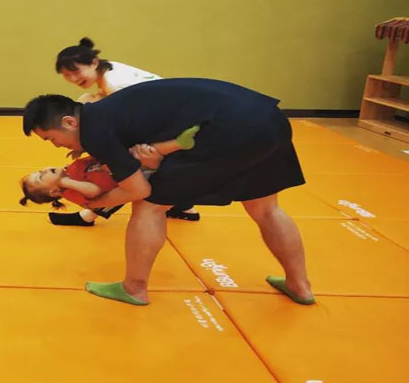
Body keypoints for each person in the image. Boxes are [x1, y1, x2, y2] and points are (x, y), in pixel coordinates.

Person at [22, 80, 315, 306]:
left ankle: (134, 288)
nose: (56, 146)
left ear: (69, 122)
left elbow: (138, 189)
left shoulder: (96, 130)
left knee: (149, 205)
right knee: (265, 207)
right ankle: (299, 284)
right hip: (270, 119)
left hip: (227, 129)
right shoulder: (106, 111)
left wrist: (97, 202)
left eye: (51, 139)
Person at [55, 37, 200, 222]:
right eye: (67, 75)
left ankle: (89, 215)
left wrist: (87, 145)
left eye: (76, 71)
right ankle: (185, 206)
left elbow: (129, 125)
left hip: (178, 124)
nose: (73, 79)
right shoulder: (109, 70)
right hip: (174, 116)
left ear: (94, 62)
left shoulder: (115, 84)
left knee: (125, 166)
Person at [19, 128, 198, 226]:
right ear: (54, 191)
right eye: (40, 178)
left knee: (142, 152)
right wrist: (66, 181)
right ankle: (178, 144)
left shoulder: (69, 172)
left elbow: (93, 163)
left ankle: (184, 206)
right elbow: (94, 190)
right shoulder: (71, 189)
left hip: (121, 168)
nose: (42, 172)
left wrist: (82, 150)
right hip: (128, 176)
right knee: (148, 155)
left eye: (39, 171)